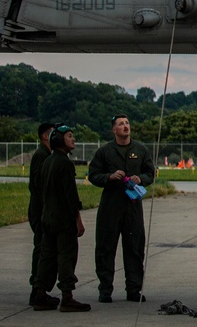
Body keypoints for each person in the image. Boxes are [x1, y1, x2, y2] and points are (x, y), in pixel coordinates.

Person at [87, 114, 155, 303]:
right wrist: (109, 176)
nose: (125, 126)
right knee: (105, 248)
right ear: (114, 130)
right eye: (120, 124)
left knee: (134, 248)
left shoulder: (140, 150)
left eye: (127, 123)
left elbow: (150, 172)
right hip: (110, 206)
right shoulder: (105, 152)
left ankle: (133, 289)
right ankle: (105, 289)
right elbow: (93, 175)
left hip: (132, 206)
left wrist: (140, 179)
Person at [33, 124, 90, 312]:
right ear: (59, 140)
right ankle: (67, 296)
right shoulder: (64, 163)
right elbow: (70, 196)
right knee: (66, 255)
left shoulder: (48, 161)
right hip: (63, 220)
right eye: (69, 136)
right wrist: (78, 220)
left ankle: (39, 295)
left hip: (47, 218)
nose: (73, 139)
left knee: (47, 257)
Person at [28, 122, 60, 309]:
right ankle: (37, 290)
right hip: (41, 209)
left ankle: (40, 290)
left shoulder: (47, 155)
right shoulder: (42, 156)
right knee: (42, 250)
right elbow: (40, 186)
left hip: (43, 209)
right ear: (46, 136)